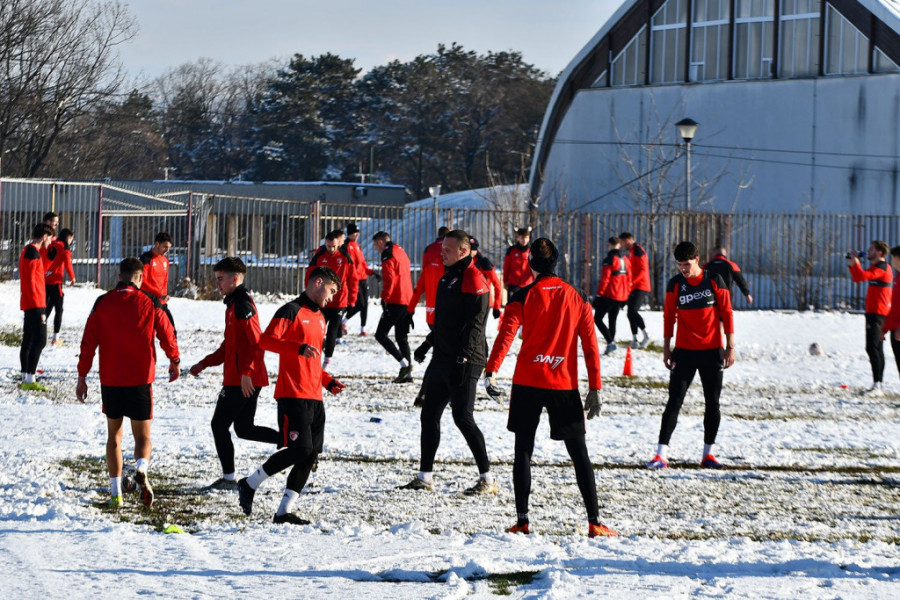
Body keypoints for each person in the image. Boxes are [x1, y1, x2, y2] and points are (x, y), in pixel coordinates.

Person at [483, 237, 617, 538]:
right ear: (558, 263)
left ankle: (522, 520)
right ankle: (594, 521)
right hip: (563, 384)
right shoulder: (576, 296)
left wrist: (491, 371)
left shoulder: (522, 295)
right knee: (579, 453)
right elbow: (591, 346)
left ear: (530, 264)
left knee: (523, 451)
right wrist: (595, 386)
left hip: (528, 382)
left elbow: (506, 335)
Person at [237, 267, 346, 524]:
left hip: (314, 396)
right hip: (292, 393)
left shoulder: (320, 316)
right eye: (331, 291)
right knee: (300, 449)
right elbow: (266, 341)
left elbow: (312, 360)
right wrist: (297, 347)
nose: (331, 297)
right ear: (317, 282)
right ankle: (250, 483)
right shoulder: (291, 310)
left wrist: (328, 381)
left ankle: (284, 511)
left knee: (310, 454)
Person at [76, 257, 180, 507]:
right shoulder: (150, 301)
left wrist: (82, 376)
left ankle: (116, 494)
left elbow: (88, 342)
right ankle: (141, 468)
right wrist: (174, 359)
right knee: (142, 437)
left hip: (111, 379)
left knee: (114, 436)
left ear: (119, 275)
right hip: (140, 379)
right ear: (141, 277)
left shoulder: (102, 303)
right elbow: (167, 332)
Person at [401, 230, 495, 495]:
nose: (442, 253)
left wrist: (463, 357)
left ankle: (487, 480)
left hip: (467, 360)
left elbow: (475, 325)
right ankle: (425, 477)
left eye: (448, 250)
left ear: (464, 252)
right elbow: (446, 323)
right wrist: (427, 343)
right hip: (443, 357)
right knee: (429, 414)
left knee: (462, 417)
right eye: (442, 248)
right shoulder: (447, 277)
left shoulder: (474, 279)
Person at [189, 257, 279, 489]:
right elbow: (230, 346)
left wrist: (247, 373)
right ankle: (293, 441)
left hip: (243, 380)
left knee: (219, 426)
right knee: (244, 429)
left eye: (220, 279)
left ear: (235, 279)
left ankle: (229, 479)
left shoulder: (242, 305)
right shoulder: (233, 304)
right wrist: (205, 363)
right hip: (242, 377)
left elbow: (256, 343)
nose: (217, 284)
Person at [646, 241, 735, 470]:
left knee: (712, 402)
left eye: (686, 264)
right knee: (674, 401)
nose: (683, 269)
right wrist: (666, 348)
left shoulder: (714, 280)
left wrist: (730, 346)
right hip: (684, 353)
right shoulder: (675, 285)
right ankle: (661, 454)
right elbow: (668, 317)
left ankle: (708, 454)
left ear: (697, 260)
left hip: (712, 351)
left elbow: (727, 313)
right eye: (679, 265)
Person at [407, 226, 449, 405]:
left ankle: (427, 395)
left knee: (441, 357)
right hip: (444, 317)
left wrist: (410, 311)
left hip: (431, 315)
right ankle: (424, 395)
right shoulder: (448, 268)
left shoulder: (429, 263)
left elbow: (418, 290)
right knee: (441, 358)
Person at [306, 230, 358, 368]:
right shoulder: (319, 256)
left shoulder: (345, 257)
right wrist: (309, 293)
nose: (331, 249)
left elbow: (353, 279)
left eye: (334, 246)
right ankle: (315, 356)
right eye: (329, 246)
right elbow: (309, 274)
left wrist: (352, 299)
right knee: (316, 330)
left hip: (339, 302)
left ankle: (326, 363)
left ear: (338, 244)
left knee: (332, 332)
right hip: (321, 300)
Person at [848, 240, 893, 395]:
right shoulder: (876, 267)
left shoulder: (882, 267)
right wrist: (853, 264)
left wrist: (856, 264)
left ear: (879, 253)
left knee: (872, 347)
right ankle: (877, 384)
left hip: (879, 313)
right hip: (873, 312)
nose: (869, 251)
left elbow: (862, 276)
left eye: (872, 249)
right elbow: (857, 278)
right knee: (876, 347)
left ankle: (877, 385)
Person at [372, 231, 414, 383]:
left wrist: (385, 297)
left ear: (382, 242)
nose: (376, 248)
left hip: (396, 299)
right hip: (407, 298)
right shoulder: (400, 250)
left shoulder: (387, 254)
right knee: (401, 337)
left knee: (380, 334)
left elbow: (390, 278)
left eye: (376, 244)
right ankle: (408, 375)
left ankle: (404, 365)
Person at [19, 224, 53, 390]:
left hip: (31, 302)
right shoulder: (33, 252)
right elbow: (32, 279)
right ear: (44, 237)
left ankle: (26, 377)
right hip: (35, 303)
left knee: (29, 339)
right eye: (49, 238)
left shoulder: (29, 251)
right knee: (40, 340)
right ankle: (29, 379)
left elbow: (39, 273)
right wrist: (36, 303)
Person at [593, 237, 631, 355]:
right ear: (619, 245)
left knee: (598, 318)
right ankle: (611, 344)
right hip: (622, 294)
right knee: (612, 319)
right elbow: (629, 279)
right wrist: (627, 295)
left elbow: (605, 279)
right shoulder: (625, 259)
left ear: (609, 245)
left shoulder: (609, 259)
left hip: (611, 293)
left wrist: (599, 295)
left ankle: (610, 343)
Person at [45, 228, 76, 346]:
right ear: (68, 237)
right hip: (56, 281)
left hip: (45, 279)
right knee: (59, 309)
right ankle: (55, 337)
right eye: (71, 239)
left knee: (47, 307)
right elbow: (67, 263)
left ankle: (38, 331)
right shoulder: (64, 248)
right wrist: (72, 277)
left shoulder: (51, 243)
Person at [619, 232, 651, 349]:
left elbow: (643, 270)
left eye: (622, 242)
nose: (622, 245)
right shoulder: (631, 252)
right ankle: (635, 339)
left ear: (628, 240)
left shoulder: (638, 250)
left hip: (641, 286)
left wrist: (633, 281)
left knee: (632, 311)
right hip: (634, 286)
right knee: (630, 312)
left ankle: (646, 335)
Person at [342, 222, 374, 336]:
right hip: (354, 279)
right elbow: (350, 265)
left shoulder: (357, 246)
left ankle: (362, 328)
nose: (356, 235)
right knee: (358, 303)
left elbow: (362, 263)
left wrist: (372, 272)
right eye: (354, 232)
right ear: (349, 233)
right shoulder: (347, 245)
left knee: (365, 304)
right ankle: (343, 321)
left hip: (363, 278)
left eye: (357, 232)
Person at [140, 232, 176, 333]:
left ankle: (173, 349)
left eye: (169, 247)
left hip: (161, 302)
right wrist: (159, 294)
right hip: (148, 302)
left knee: (171, 332)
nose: (167, 250)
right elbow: (143, 281)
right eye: (165, 247)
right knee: (145, 334)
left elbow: (164, 281)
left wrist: (163, 296)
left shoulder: (165, 261)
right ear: (157, 244)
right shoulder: (146, 259)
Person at [469, 236, 503, 320]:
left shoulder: (484, 263)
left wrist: (496, 306)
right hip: (467, 300)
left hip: (482, 301)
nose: (469, 252)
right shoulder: (463, 262)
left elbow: (497, 284)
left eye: (472, 249)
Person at [881, 246, 900, 383]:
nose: (892, 261)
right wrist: (884, 329)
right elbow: (893, 307)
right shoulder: (897, 277)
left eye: (893, 258)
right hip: (895, 330)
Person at [502, 226, 534, 298]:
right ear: (518, 237)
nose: (524, 240)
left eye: (526, 237)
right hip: (514, 283)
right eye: (522, 237)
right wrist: (505, 281)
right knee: (513, 306)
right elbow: (506, 267)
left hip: (528, 284)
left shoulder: (532, 251)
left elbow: (535, 268)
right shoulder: (511, 251)